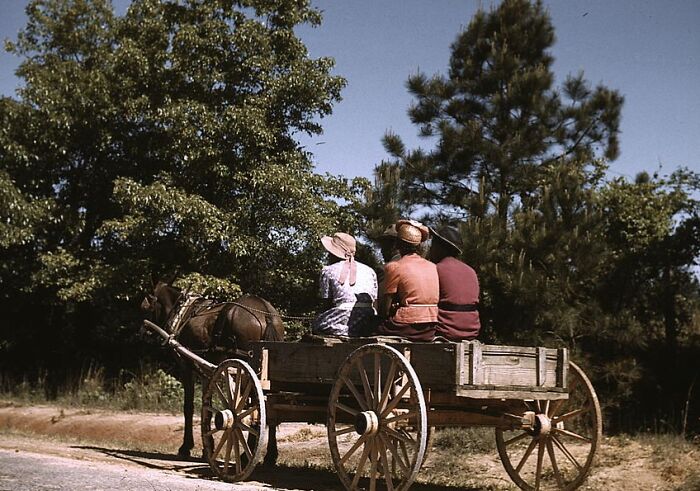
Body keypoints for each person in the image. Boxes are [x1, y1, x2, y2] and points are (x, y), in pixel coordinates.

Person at [376, 220, 439, 341]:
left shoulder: (394, 266)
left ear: (397, 245)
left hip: (407, 326)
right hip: (430, 327)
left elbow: (384, 310)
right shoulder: (432, 266)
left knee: (371, 325)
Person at [312, 232, 378, 337]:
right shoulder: (370, 271)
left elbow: (326, 303)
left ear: (334, 253)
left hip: (342, 318)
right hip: (368, 321)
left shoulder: (328, 271)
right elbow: (374, 301)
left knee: (317, 325)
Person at [429, 225, 481, 341]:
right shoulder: (471, 271)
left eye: (433, 245)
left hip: (445, 330)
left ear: (440, 248)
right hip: (471, 331)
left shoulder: (436, 269)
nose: (430, 249)